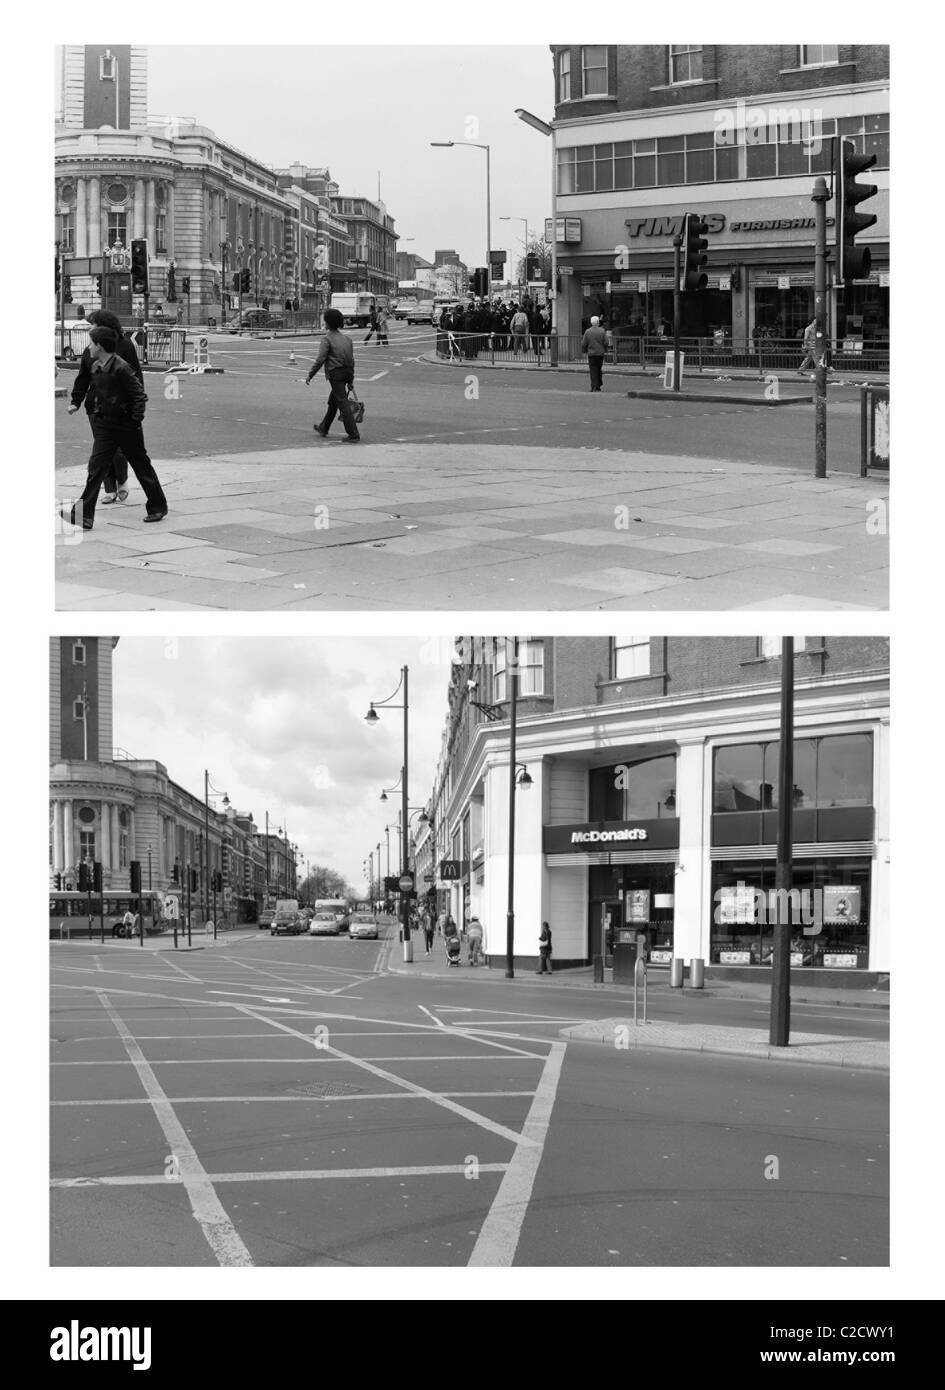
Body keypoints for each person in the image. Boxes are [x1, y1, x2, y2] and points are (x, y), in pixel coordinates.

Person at [62, 325, 168, 532]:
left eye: (91, 342)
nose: (89, 346)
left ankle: (158, 506)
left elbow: (139, 396)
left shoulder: (121, 368)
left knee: (141, 466)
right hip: (106, 426)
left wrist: (134, 421)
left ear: (100, 345)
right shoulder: (96, 366)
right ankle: (84, 516)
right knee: (96, 469)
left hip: (126, 426)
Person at [70, 309, 143, 506]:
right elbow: (83, 377)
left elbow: (136, 378)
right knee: (101, 453)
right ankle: (109, 489)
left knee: (119, 451)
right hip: (96, 408)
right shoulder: (90, 349)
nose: (90, 330)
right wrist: (76, 400)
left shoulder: (124, 346)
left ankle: (123, 479)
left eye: (93, 325)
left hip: (119, 408)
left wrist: (135, 410)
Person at [306, 307, 361, 443]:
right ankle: (324, 427)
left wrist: (310, 375)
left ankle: (353, 434)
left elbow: (320, 359)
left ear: (328, 323)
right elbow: (351, 360)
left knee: (342, 403)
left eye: (325, 321)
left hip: (335, 373)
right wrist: (351, 378)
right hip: (347, 372)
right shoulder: (347, 339)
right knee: (333, 402)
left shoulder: (327, 339)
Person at [581, 316, 608, 391]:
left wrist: (585, 350)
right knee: (599, 369)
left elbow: (583, 343)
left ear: (591, 323)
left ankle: (594, 386)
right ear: (598, 322)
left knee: (593, 370)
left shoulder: (587, 331)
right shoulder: (602, 331)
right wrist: (604, 348)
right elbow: (606, 342)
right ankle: (598, 385)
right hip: (600, 353)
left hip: (591, 353)